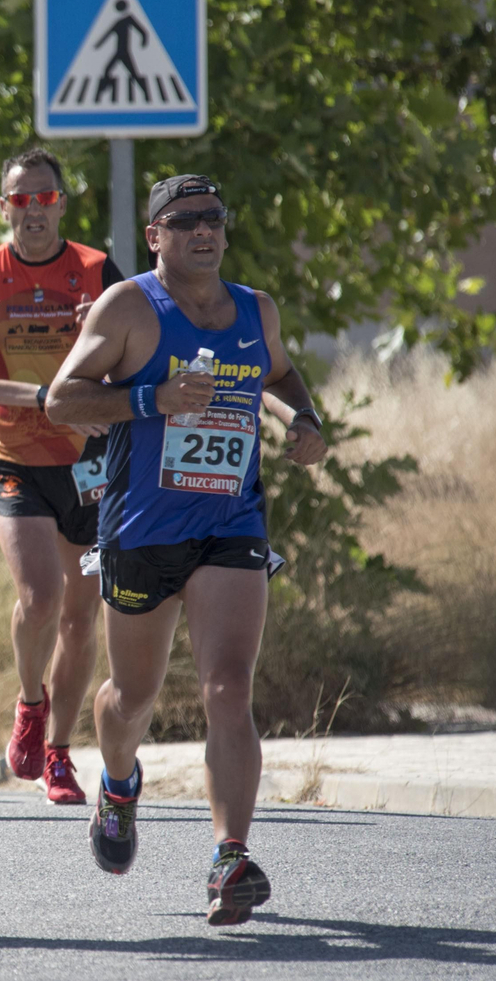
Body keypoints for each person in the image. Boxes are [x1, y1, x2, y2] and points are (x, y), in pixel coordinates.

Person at [47, 174, 328, 926]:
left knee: (228, 687)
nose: (204, 230)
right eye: (185, 220)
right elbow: (62, 399)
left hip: (231, 522)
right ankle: (117, 785)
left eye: (214, 217)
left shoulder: (255, 309)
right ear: (155, 236)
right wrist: (153, 399)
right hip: (142, 528)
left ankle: (229, 856)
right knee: (131, 697)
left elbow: (278, 372)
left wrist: (304, 419)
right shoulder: (129, 307)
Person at [0, 147, 124, 805]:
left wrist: (100, 337)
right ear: (5, 207)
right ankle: (30, 703)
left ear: (60, 204)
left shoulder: (97, 271)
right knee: (40, 597)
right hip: (17, 458)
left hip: (89, 464)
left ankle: (58, 753)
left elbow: (138, 355)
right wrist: (48, 397)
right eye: (20, 199)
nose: (33, 210)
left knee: (81, 620)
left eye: (44, 197)